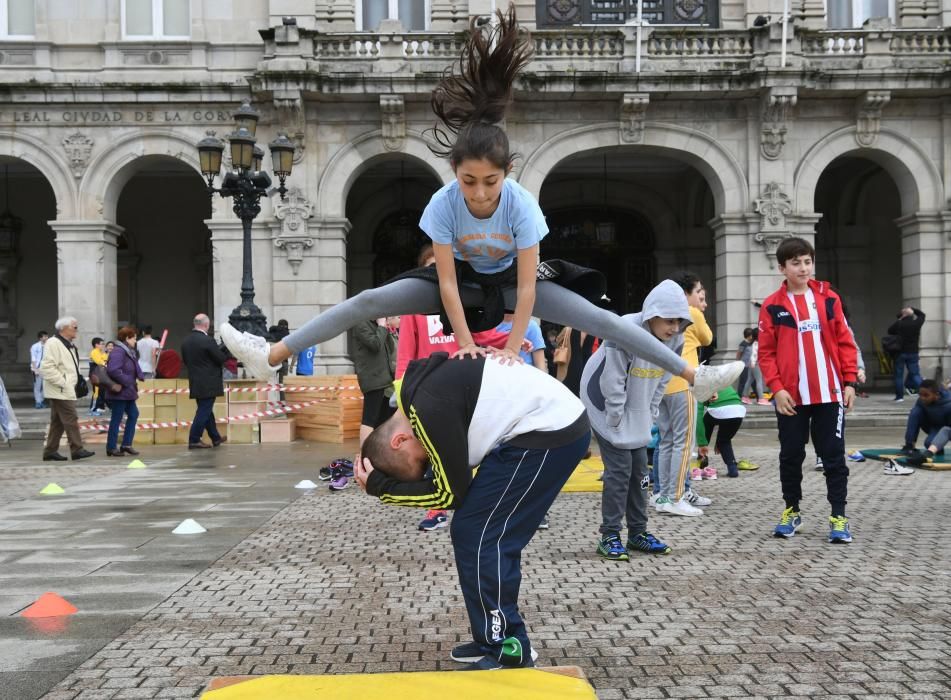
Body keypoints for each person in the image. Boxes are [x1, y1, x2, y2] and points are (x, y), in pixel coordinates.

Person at [217, 7, 742, 408]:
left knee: (600, 318)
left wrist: (514, 347)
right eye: (469, 181)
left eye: (489, 181)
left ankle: (695, 376)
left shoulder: (519, 204)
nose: (480, 193)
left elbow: (532, 287)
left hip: (514, 284)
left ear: (506, 174)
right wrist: (467, 342)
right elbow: (445, 283)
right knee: (367, 300)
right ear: (455, 174)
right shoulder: (445, 204)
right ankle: (271, 357)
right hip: (463, 283)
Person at [355, 353, 590, 670]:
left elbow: (449, 492)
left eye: (420, 463)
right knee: (471, 531)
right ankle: (489, 638)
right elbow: (451, 483)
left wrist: (383, 489)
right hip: (536, 430)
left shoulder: (427, 411)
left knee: (482, 536)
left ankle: (508, 647)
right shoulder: (420, 402)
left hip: (549, 431)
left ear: (399, 440)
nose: (427, 465)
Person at [580, 279, 690, 561]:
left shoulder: (675, 339)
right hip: (604, 403)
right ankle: (610, 535)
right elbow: (612, 380)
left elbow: (664, 378)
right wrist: (615, 418)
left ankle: (638, 533)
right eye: (669, 320)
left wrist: (650, 412)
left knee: (640, 472)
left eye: (679, 321)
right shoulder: (623, 330)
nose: (674, 328)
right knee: (619, 471)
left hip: (636, 404)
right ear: (652, 314)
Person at [758, 237, 858, 543]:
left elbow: (845, 341)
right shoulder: (772, 306)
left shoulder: (829, 299)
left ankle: (838, 517)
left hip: (830, 394)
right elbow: (766, 353)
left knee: (833, 457)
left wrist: (850, 381)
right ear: (782, 268)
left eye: (807, 261)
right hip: (792, 397)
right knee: (790, 455)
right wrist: (777, 389)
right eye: (796, 263)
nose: (803, 268)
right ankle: (792, 511)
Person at [654, 272, 713, 517]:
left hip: (663, 384)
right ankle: (676, 497)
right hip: (684, 382)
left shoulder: (662, 315)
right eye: (697, 292)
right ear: (686, 293)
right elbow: (708, 338)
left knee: (666, 442)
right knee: (682, 444)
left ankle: (663, 495)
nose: (701, 298)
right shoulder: (692, 313)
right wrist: (698, 311)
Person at [39, 316, 95, 462]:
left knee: (57, 421)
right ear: (64, 328)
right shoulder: (54, 343)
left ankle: (50, 451)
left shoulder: (67, 344)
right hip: (60, 389)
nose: (77, 330)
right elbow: (46, 368)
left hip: (63, 389)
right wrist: (64, 383)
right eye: (75, 327)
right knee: (71, 418)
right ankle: (77, 449)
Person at [180, 314, 227, 449]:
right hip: (209, 381)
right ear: (206, 325)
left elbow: (186, 361)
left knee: (206, 409)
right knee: (204, 411)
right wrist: (225, 352)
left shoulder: (186, 341)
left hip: (195, 380)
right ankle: (194, 439)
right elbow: (220, 359)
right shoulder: (208, 341)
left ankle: (215, 438)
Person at [352, 318, 398, 447]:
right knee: (369, 419)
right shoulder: (361, 324)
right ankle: (364, 454)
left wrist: (388, 330)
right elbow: (375, 344)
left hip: (385, 379)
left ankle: (378, 451)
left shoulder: (377, 325)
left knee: (382, 419)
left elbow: (390, 348)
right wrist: (382, 326)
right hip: (373, 379)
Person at [697, 386, 758, 478]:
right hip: (738, 410)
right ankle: (732, 469)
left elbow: (698, 419)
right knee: (724, 441)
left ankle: (701, 462)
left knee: (706, 423)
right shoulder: (721, 380)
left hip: (719, 409)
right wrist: (719, 441)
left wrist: (702, 443)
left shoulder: (697, 388)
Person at [104, 326, 144, 457]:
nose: (135, 341)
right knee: (117, 418)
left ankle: (126, 444)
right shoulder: (119, 351)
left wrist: (138, 376)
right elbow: (113, 370)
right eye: (134, 338)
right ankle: (111, 447)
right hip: (120, 391)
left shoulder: (127, 351)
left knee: (133, 414)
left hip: (127, 391)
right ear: (127, 338)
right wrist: (127, 380)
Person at [901, 378, 951, 457]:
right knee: (915, 412)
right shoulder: (921, 401)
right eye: (920, 395)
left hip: (947, 429)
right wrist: (910, 442)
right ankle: (910, 446)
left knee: (934, 441)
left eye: (926, 395)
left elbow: (948, 431)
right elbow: (914, 417)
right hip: (935, 426)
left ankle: (937, 447)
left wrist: (940, 440)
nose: (922, 398)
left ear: (936, 395)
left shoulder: (948, 404)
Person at [888, 306, 926, 402]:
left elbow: (890, 330)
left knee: (898, 375)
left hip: (900, 353)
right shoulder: (916, 323)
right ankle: (925, 393)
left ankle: (899, 397)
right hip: (913, 352)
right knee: (915, 374)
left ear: (903, 315)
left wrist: (901, 317)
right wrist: (913, 309)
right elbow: (922, 315)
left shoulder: (899, 323)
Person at [89, 337, 108, 416]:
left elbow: (106, 359)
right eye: (102, 344)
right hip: (95, 375)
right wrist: (105, 362)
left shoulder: (100, 352)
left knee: (101, 391)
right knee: (96, 392)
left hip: (100, 374)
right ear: (96, 345)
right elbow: (100, 362)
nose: (103, 345)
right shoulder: (94, 352)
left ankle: (98, 407)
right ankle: (93, 409)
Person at [30, 330, 48, 409]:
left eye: (47, 336)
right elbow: (33, 358)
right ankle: (38, 402)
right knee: (37, 386)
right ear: (40, 338)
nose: (47, 337)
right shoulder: (35, 346)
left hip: (46, 369)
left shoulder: (49, 346)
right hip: (37, 368)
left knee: (45, 386)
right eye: (45, 336)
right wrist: (35, 369)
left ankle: (41, 400)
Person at [735, 327, 753, 397]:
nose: (752, 337)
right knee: (743, 381)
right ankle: (739, 396)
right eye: (751, 335)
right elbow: (739, 354)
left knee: (753, 382)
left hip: (751, 366)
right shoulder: (743, 344)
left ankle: (759, 397)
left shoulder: (752, 343)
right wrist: (737, 363)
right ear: (748, 335)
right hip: (744, 366)